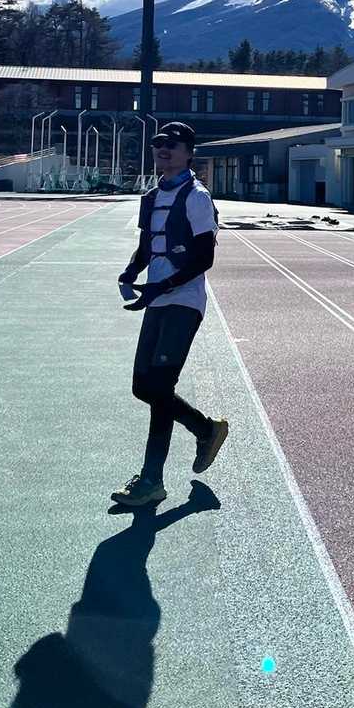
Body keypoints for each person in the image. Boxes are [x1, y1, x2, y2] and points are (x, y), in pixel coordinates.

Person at [111, 122, 228, 510]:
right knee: (142, 386)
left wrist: (164, 285)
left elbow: (205, 257)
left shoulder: (197, 197)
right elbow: (146, 246)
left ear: (189, 152)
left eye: (173, 144)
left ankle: (151, 481)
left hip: (184, 300)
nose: (163, 148)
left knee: (160, 386)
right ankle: (206, 429)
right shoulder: (151, 196)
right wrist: (130, 273)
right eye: (158, 142)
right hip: (158, 299)